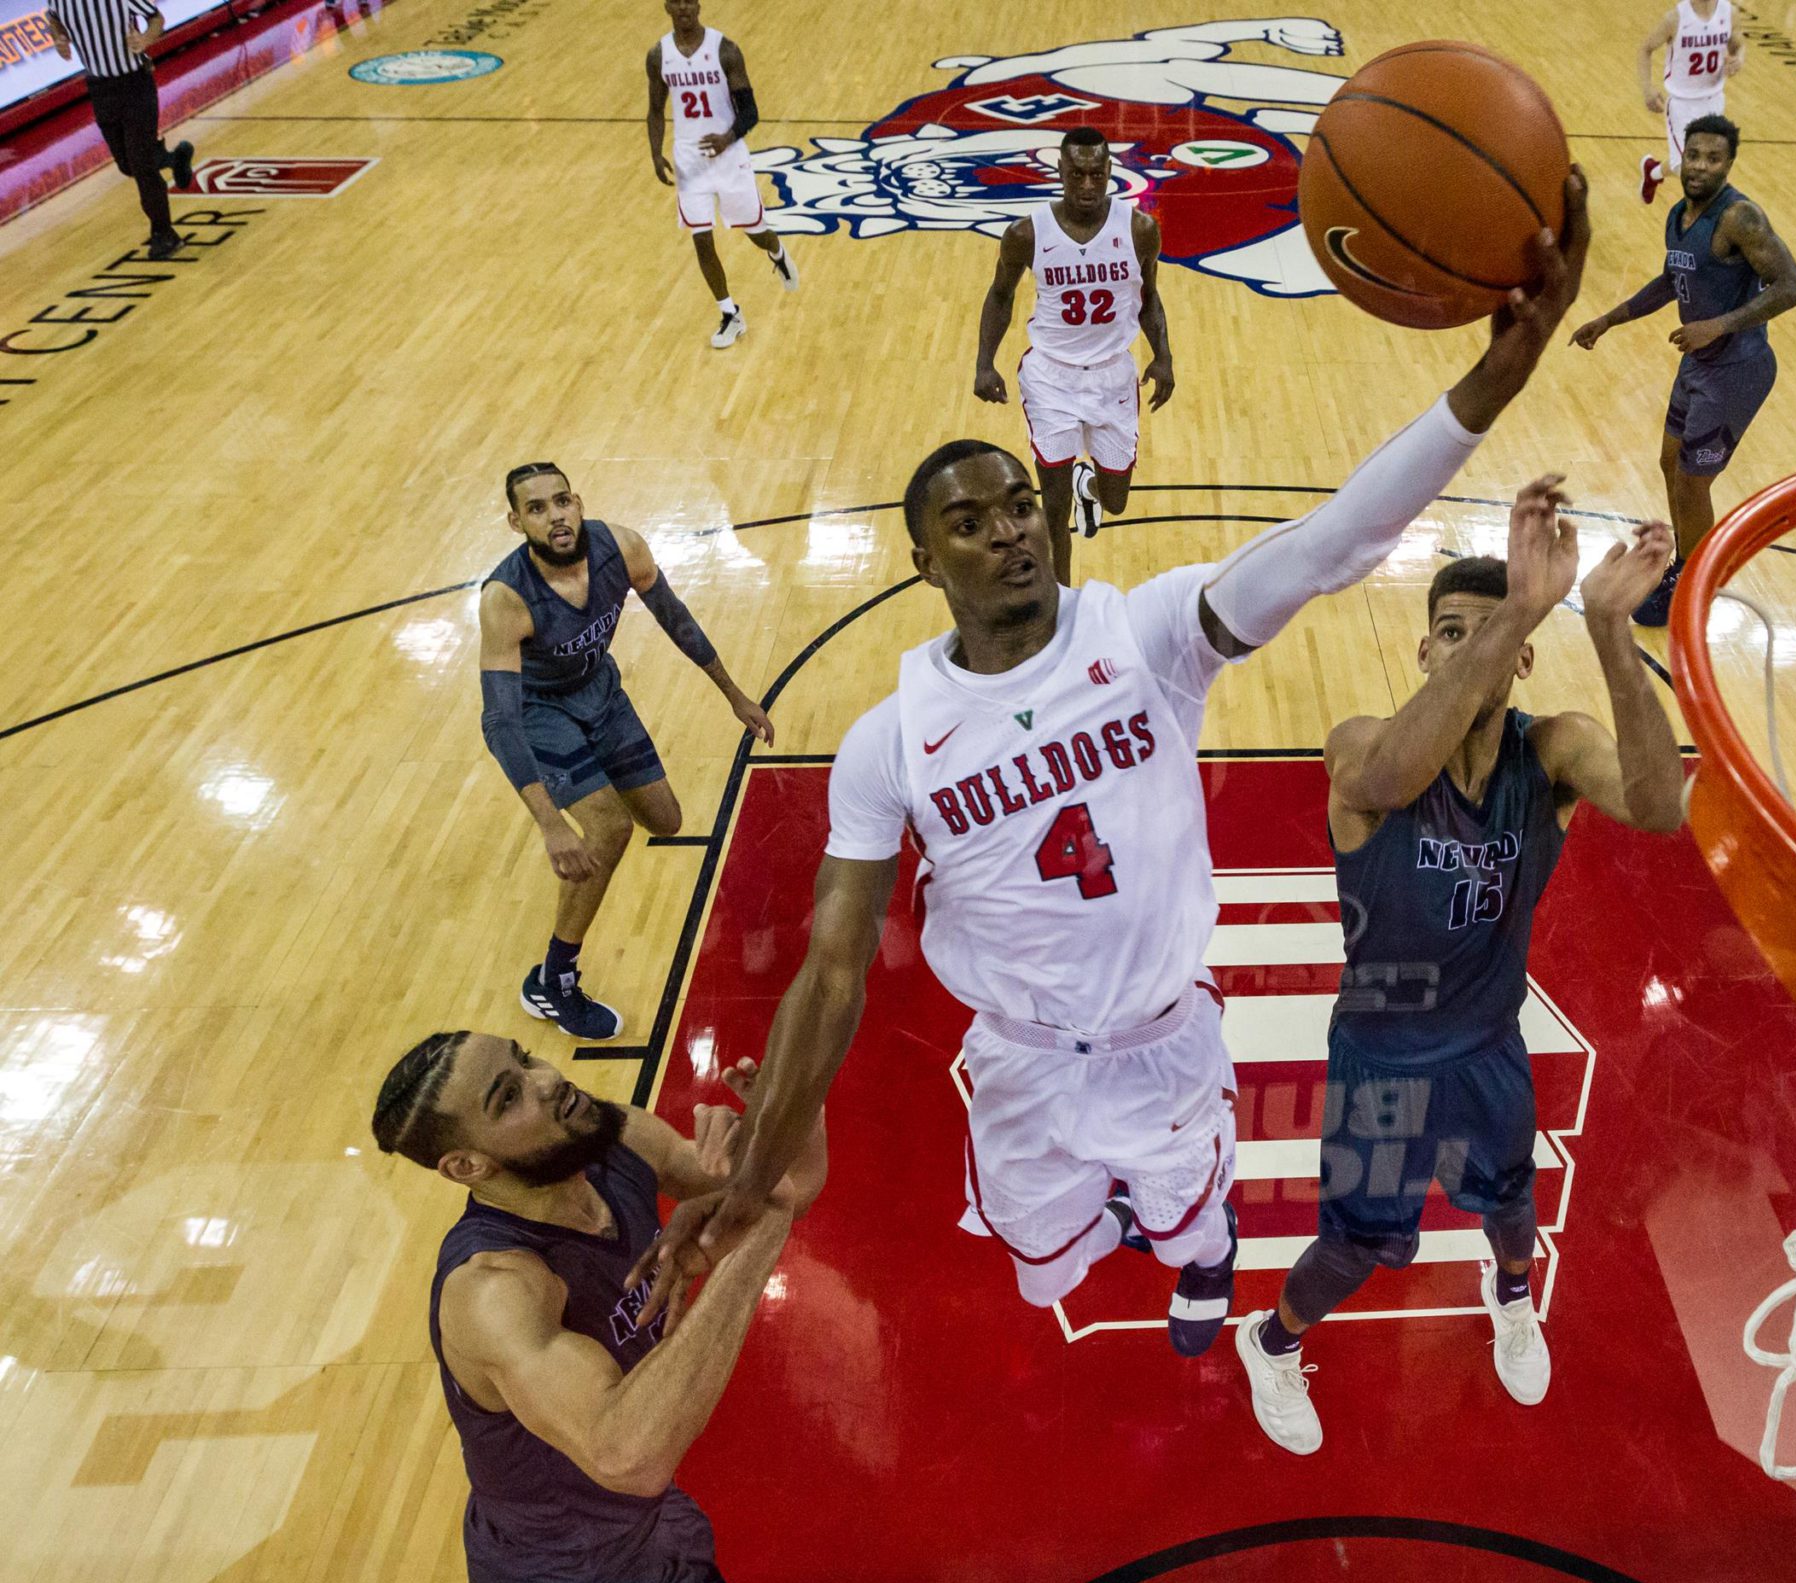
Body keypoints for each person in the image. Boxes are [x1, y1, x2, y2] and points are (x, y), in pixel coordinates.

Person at [624, 177, 1594, 1358]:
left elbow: (1334, 541)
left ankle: (1199, 1258)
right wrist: (758, 1170)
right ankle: (1122, 1231)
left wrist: (1494, 380)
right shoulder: (891, 739)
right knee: (1047, 1265)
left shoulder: (1147, 637)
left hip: (1161, 1036)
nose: (1011, 529)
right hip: (1021, 1059)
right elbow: (829, 979)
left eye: (1017, 507)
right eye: (970, 523)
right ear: (926, 562)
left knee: (1192, 1223)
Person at [1230, 495, 1689, 1456]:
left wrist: (1607, 629)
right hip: (1382, 1059)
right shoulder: (1360, 746)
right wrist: (1521, 605)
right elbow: (1391, 775)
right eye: (1450, 631)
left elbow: (1659, 806)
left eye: (1495, 630)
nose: (1470, 645)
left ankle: (1512, 1298)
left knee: (1512, 1203)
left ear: (1523, 659)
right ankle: (1270, 1344)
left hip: (1487, 1045)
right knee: (1356, 1245)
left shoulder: (1550, 748)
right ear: (1424, 655)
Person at [372, 1036, 852, 1583]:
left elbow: (790, 1189)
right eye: (508, 1096)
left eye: (527, 1058)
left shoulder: (615, 1137)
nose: (546, 1081)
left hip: (648, 1530)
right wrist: (761, 1228)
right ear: (467, 1163)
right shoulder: (495, 1289)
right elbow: (628, 1452)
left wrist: (791, 1119)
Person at [479, 463, 775, 1041]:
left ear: (579, 502)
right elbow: (499, 720)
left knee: (666, 820)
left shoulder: (623, 548)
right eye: (536, 508)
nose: (555, 516)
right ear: (517, 522)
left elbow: (675, 618)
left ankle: (590, 809)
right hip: (540, 713)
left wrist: (734, 694)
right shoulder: (507, 598)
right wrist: (550, 825)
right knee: (609, 830)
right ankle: (554, 980)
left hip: (601, 692)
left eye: (562, 501)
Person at [1568, 116, 1796, 628]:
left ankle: (1693, 582)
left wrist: (1718, 324)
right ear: (1682, 154)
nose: (1699, 166)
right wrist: (1610, 319)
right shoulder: (1679, 213)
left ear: (1728, 163)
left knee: (1693, 483)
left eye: (1712, 158)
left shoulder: (1740, 217)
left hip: (1737, 370)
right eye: (1693, 155)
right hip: (1699, 363)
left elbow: (1792, 286)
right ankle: (1686, 564)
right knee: (1669, 463)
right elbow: (1669, 280)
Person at [973, 126, 1176, 585]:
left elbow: (1149, 298)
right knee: (1054, 507)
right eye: (1077, 174)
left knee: (1117, 499)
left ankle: (1094, 489)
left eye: (1096, 175)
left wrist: (1163, 356)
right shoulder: (1027, 233)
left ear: (1110, 172)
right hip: (1051, 377)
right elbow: (1000, 295)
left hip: (1112, 375)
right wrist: (984, 362)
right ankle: (1065, 608)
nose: (1087, 186)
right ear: (1060, 171)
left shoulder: (1139, 229)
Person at [646, 0, 797, 350]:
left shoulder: (725, 50)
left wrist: (727, 138)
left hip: (729, 157)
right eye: (676, 2)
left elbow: (751, 112)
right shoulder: (658, 55)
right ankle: (730, 313)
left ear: (698, 5)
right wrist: (655, 152)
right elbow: (655, 109)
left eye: (689, 1)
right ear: (667, 7)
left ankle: (776, 252)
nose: (683, 8)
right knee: (701, 238)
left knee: (754, 230)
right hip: (689, 160)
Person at [44, 0, 196, 261]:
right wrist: (59, 37)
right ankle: (173, 159)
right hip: (99, 88)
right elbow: (53, 17)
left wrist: (145, 40)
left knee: (142, 167)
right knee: (128, 165)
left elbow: (156, 18)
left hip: (135, 83)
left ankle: (164, 233)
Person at [1639, 0, 1742, 203]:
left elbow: (1738, 45)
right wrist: (1647, 89)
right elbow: (1645, 49)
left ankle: (1653, 172)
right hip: (1682, 103)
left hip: (1714, 100)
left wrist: (1738, 59)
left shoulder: (1729, 12)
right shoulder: (1675, 18)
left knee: (1706, 165)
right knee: (1689, 169)